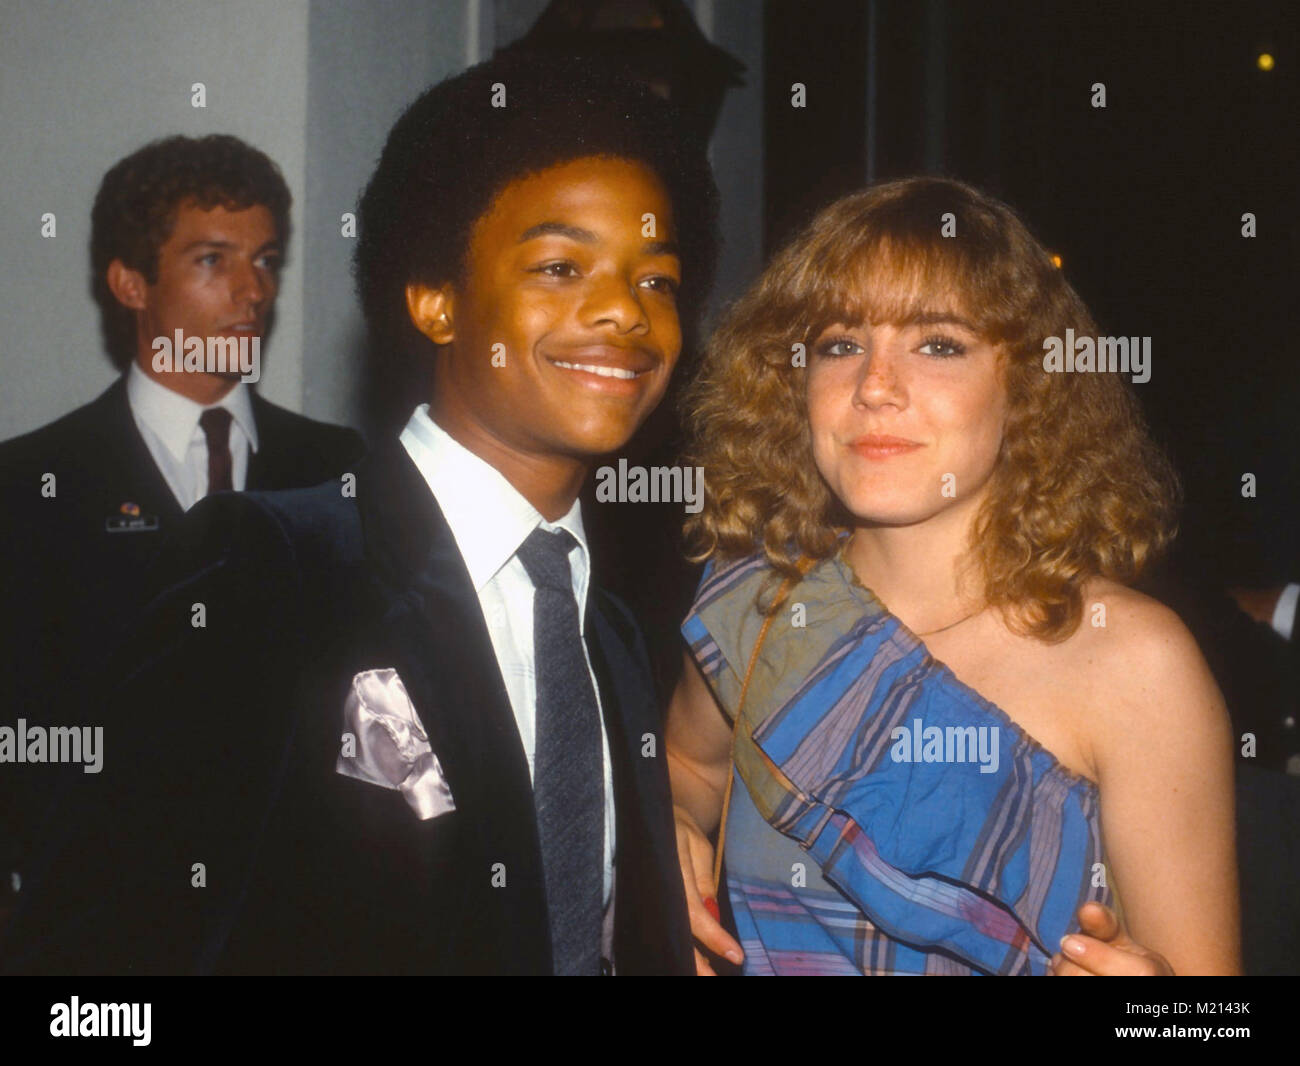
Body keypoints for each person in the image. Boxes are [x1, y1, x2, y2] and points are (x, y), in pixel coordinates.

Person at [0, 50, 718, 975]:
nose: (624, 311)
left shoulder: (615, 632)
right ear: (435, 302)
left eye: (654, 279)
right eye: (559, 266)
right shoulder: (271, 567)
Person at [666, 177, 1240, 976]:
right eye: (840, 343)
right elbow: (690, 766)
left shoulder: (1135, 664)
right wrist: (673, 821)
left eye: (937, 344)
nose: (874, 386)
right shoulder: (763, 602)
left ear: (1030, 387)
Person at [0, 134, 363, 920]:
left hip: (311, 925)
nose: (252, 291)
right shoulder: (26, 485)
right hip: (98, 930)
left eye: (265, 261)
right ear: (131, 282)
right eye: (213, 260)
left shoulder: (344, 472)